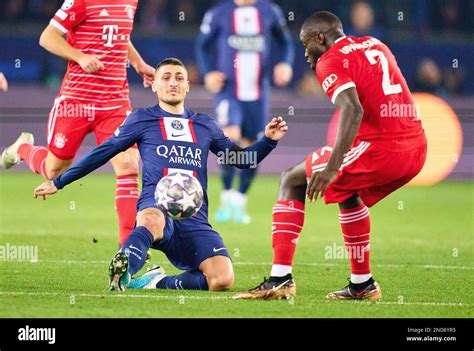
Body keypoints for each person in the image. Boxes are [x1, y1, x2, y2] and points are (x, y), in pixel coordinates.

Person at [33, 58, 288, 292]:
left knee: (222, 279)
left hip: (194, 219)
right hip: (155, 208)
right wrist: (59, 181)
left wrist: (267, 141)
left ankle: (154, 282)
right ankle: (123, 274)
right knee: (152, 218)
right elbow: (104, 151)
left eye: (179, 77)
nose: (172, 83)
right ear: (154, 85)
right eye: (165, 77)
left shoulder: (205, 124)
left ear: (188, 86)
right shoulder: (141, 119)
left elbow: (240, 160)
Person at [234, 11, 427, 300]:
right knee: (347, 191)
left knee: (291, 179)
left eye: (305, 45)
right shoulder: (376, 44)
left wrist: (331, 167)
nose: (306, 55)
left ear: (320, 38)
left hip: (383, 148)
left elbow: (353, 109)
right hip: (416, 146)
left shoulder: (330, 60)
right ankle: (362, 285)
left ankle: (279, 279)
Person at [0, 0, 155, 248]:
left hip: (115, 103)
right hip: (76, 102)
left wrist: (137, 63)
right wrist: (79, 56)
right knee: (54, 171)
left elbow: (118, 35)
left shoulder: (131, 1)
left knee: (128, 166)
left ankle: (128, 250)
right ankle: (22, 149)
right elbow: (47, 37)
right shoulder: (82, 1)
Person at [195, 0, 294, 224]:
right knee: (231, 137)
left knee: (253, 146)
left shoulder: (269, 11)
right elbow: (202, 45)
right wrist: (208, 72)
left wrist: (285, 64)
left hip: (258, 94)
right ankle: (227, 194)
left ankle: (239, 200)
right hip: (228, 90)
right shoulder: (219, 13)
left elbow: (285, 42)